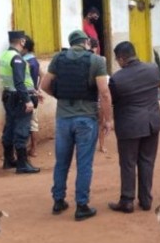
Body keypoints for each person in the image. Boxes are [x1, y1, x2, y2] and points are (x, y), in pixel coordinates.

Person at [40, 30, 113, 221]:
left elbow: (45, 85)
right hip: (87, 119)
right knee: (84, 164)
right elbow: (104, 93)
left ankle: (58, 201)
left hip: (63, 119)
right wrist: (108, 119)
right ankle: (81, 206)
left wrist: (61, 97)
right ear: (86, 42)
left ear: (70, 43)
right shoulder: (96, 61)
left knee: (61, 162)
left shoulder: (58, 58)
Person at [107, 41, 160, 213]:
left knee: (128, 163)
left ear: (122, 58)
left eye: (118, 60)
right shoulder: (153, 69)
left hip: (129, 125)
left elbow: (113, 100)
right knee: (147, 161)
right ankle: (146, 200)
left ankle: (127, 200)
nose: (118, 63)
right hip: (152, 122)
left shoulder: (117, 79)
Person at [0, 30, 40, 174]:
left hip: (9, 96)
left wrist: (33, 91)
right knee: (22, 129)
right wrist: (28, 100)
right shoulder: (17, 58)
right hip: (19, 98)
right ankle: (22, 164)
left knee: (9, 128)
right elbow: (19, 81)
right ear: (22, 41)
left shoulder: (4, 55)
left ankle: (8, 159)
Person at [23, 36, 44, 158]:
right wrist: (38, 89)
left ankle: (23, 149)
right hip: (34, 94)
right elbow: (42, 74)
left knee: (23, 122)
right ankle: (34, 149)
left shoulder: (23, 61)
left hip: (25, 95)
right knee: (33, 123)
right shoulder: (34, 60)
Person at [89, 39, 108, 153]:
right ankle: (100, 145)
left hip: (97, 95)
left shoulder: (101, 60)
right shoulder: (99, 60)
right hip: (95, 95)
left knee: (100, 122)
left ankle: (101, 145)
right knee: (99, 122)